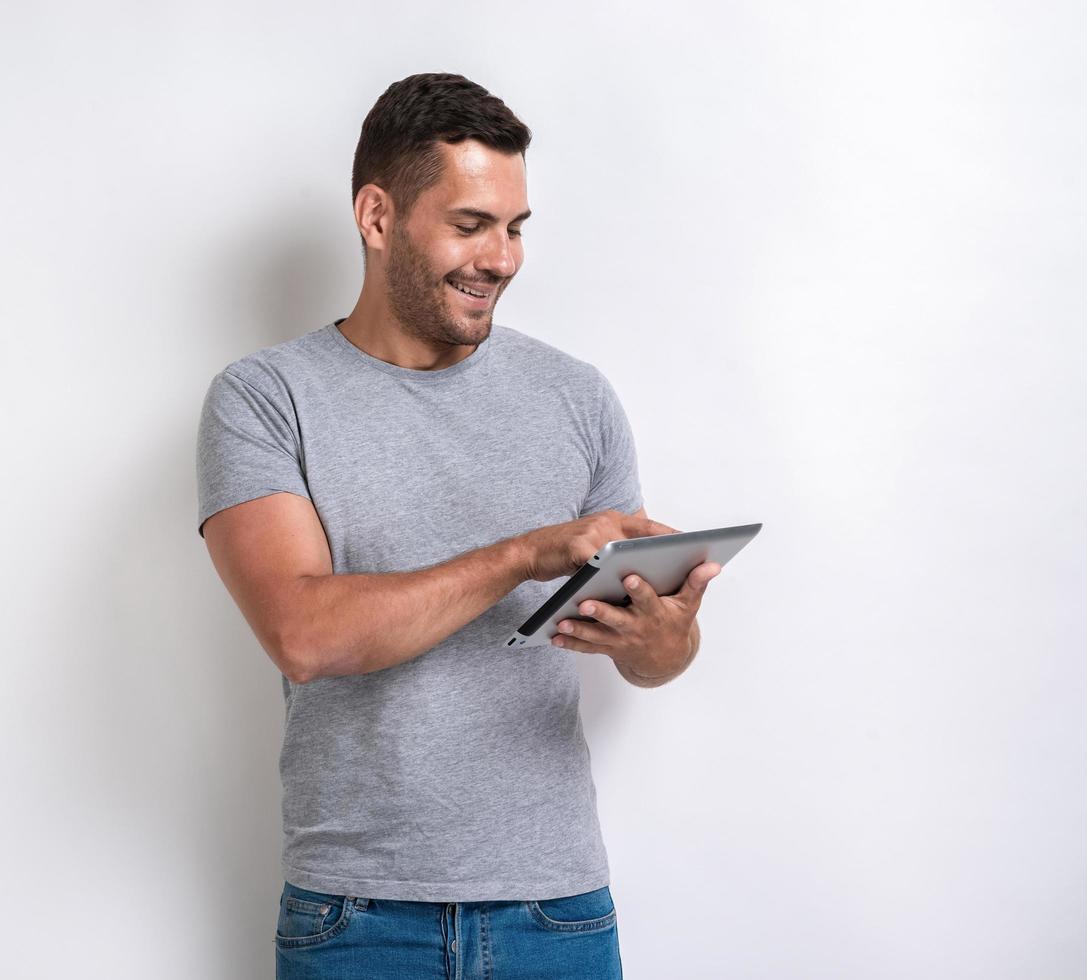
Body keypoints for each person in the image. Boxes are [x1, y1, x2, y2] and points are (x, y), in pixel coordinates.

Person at [196, 71, 721, 980]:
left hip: (555, 910)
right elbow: (303, 633)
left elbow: (651, 662)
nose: (502, 258)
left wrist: (663, 638)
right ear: (376, 216)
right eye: (470, 224)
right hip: (357, 917)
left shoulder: (577, 398)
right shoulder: (265, 399)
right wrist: (526, 551)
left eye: (515, 228)